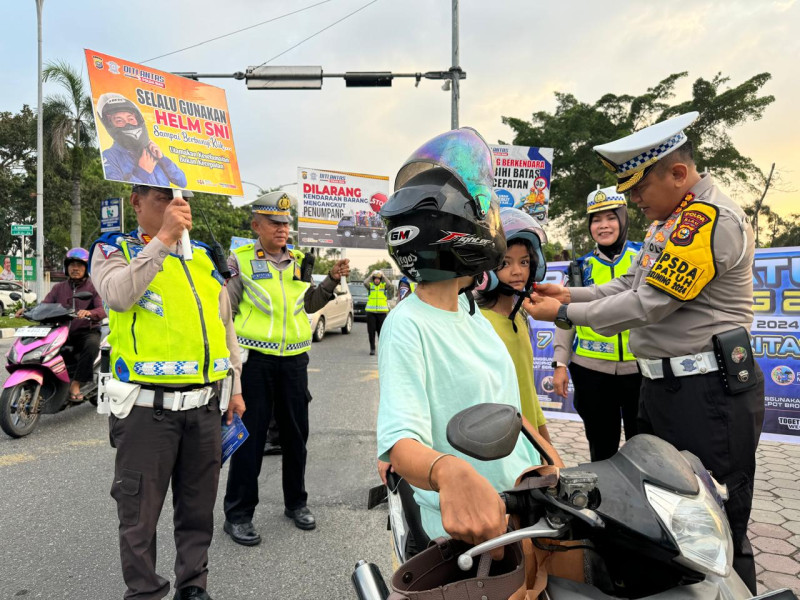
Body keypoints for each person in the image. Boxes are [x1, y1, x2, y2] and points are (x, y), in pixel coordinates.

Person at [526, 112, 765, 592]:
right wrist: (571, 295)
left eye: (639, 188)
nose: (633, 199)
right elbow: (629, 283)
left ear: (678, 174)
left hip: (707, 394)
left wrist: (565, 316)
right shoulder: (673, 222)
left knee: (715, 525)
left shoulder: (707, 222)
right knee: (661, 514)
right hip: (665, 389)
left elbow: (646, 306)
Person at [376, 127, 540, 551]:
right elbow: (400, 442)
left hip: (519, 506)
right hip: (464, 532)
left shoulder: (472, 313)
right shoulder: (408, 324)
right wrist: (450, 473)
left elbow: (508, 411)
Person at [90, 184, 245, 600]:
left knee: (197, 510)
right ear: (136, 203)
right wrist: (162, 240)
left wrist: (235, 386)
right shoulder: (112, 250)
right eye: (163, 198)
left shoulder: (204, 257)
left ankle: (193, 585)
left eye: (181, 198)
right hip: (145, 411)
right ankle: (145, 592)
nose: (177, 206)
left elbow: (223, 324)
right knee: (138, 516)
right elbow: (119, 296)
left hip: (204, 407)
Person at [223, 191, 350, 544]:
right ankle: (238, 514)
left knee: (296, 436)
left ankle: (297, 503)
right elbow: (226, 312)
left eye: (285, 223)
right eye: (274, 223)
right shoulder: (241, 260)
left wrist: (331, 282)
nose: (282, 229)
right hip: (255, 361)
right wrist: (228, 364)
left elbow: (308, 303)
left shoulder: (297, 261)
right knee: (250, 438)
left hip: (295, 359)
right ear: (256, 225)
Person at [552, 187, 642, 461]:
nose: (603, 226)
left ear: (623, 219)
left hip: (640, 370)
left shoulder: (643, 257)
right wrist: (560, 364)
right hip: (591, 371)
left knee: (646, 446)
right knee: (602, 447)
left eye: (610, 218)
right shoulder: (580, 267)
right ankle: (607, 502)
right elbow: (565, 315)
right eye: (596, 220)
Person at [474, 207, 551, 442]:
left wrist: (545, 441)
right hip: (500, 441)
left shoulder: (521, 317)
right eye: (505, 263)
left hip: (530, 438)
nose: (518, 271)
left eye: (525, 262)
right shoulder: (479, 323)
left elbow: (528, 388)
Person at [16, 249, 106, 400]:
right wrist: (28, 311)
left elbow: (102, 309)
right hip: (62, 331)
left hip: (86, 331)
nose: (75, 268)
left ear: (87, 268)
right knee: (42, 348)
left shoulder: (93, 288)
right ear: (66, 267)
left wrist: (89, 313)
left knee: (91, 345)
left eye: (79, 265)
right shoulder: (58, 288)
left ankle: (76, 384)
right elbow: (45, 305)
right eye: (72, 265)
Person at [97, 93, 187, 188]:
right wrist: (142, 172)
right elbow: (117, 190)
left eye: (130, 118)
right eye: (119, 121)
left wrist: (163, 159)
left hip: (165, 202)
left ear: (137, 119)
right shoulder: (110, 156)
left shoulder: (151, 151)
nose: (128, 124)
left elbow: (182, 182)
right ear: (110, 125)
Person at [364, 270, 393, 355]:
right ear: (373, 280)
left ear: (380, 280)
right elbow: (365, 282)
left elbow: (389, 284)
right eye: (375, 279)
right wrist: (371, 274)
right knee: (371, 332)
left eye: (378, 279)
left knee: (381, 332)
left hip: (381, 313)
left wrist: (383, 276)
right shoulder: (370, 286)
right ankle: (372, 348)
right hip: (371, 313)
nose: (377, 280)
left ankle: (382, 349)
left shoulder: (383, 286)